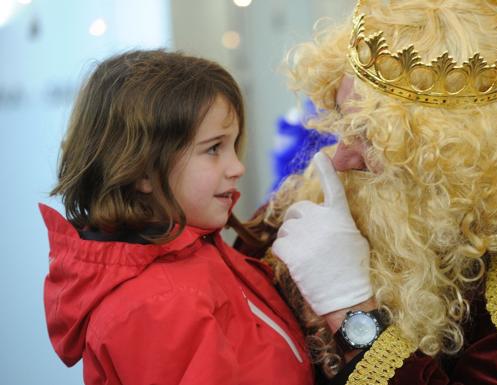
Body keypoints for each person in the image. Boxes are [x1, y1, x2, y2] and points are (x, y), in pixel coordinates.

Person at [235, 1, 497, 384]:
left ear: (456, 157)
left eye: (372, 139)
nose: (341, 158)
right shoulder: (298, 212)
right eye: (341, 121)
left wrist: (350, 309)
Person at [40, 50, 315, 385]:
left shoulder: (194, 253)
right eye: (214, 148)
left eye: (232, 146)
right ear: (141, 169)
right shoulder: (161, 306)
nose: (237, 167)